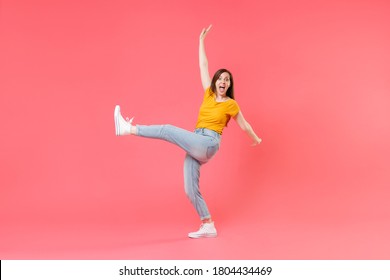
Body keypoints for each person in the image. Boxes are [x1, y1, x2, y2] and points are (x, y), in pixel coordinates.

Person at [114, 25, 261, 238]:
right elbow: (203, 65)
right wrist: (201, 40)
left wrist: (256, 139)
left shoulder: (231, 104)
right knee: (190, 189)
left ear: (229, 85)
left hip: (209, 142)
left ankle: (129, 128)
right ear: (215, 82)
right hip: (196, 139)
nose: (223, 81)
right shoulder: (209, 94)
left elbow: (245, 125)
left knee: (167, 130)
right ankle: (208, 224)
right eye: (220, 78)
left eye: (227, 80)